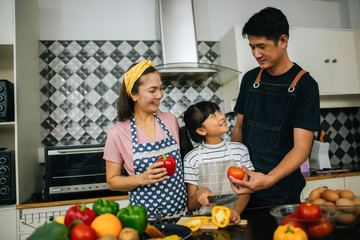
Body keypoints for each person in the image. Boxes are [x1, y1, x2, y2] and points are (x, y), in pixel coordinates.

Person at [229, 7, 320, 207]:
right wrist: (234, 167)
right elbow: (238, 129)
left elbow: (301, 148)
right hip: (244, 191)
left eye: (261, 46)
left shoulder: (305, 86)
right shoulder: (250, 79)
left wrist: (269, 179)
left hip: (281, 195)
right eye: (252, 47)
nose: (256, 53)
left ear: (283, 41)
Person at [103, 60, 188, 218]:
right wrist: (142, 178)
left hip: (182, 216)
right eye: (152, 90)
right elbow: (112, 181)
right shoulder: (118, 132)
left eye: (161, 88)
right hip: (143, 220)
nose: (159, 95)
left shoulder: (170, 120)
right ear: (133, 95)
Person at [180, 101, 254, 223]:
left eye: (219, 111)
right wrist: (199, 194)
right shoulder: (191, 159)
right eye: (213, 116)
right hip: (206, 223)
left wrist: (235, 211)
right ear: (201, 131)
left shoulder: (240, 150)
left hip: (236, 218)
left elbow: (246, 191)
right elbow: (191, 206)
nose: (221, 116)